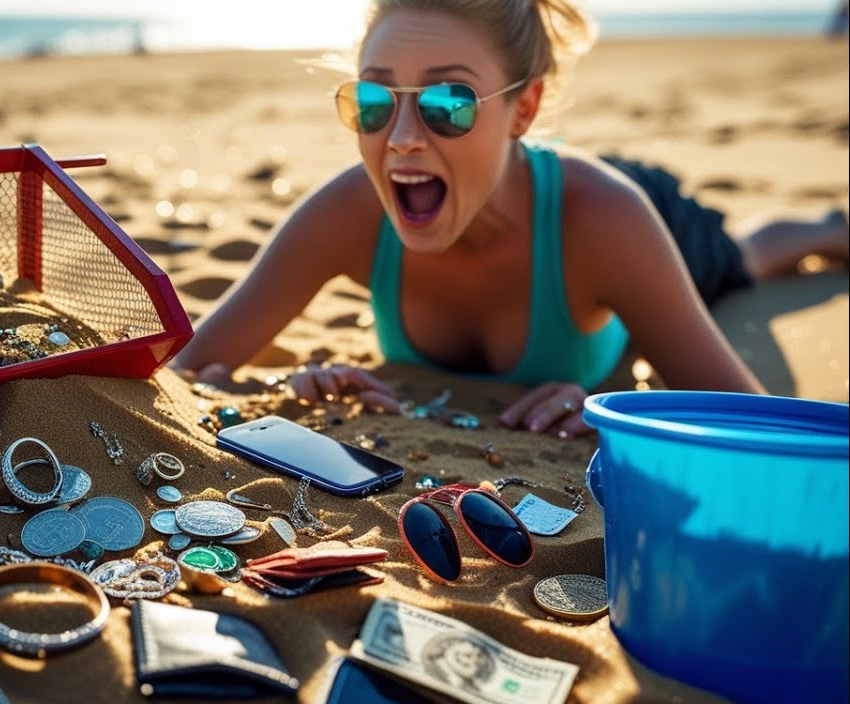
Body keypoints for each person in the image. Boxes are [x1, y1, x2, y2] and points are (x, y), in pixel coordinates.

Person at [172, 0, 848, 439]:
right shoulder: (347, 213)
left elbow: (766, 432)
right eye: (375, 100)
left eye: (448, 102)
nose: (402, 136)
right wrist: (294, 390)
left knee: (735, 263)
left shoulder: (606, 221)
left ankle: (829, 227)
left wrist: (616, 417)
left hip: (632, 214)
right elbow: (187, 370)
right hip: (517, 178)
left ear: (522, 110)